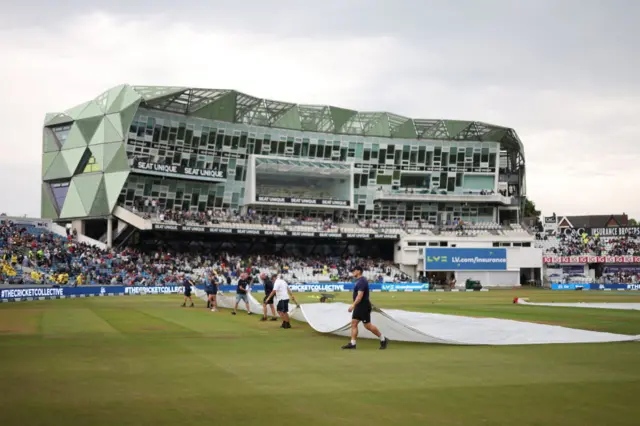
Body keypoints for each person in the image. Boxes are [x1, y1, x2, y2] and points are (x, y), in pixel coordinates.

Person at [341, 266, 388, 350]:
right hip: (359, 306)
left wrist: (353, 305)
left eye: (354, 271)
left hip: (363, 306)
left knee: (367, 326)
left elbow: (359, 296)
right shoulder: (359, 281)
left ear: (359, 271)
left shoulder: (362, 281)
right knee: (354, 323)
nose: (352, 272)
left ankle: (383, 339)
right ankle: (353, 343)